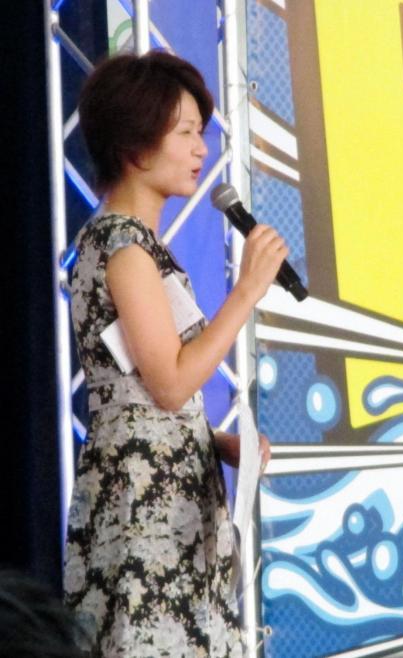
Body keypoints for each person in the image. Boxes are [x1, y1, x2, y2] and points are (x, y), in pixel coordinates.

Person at [63, 51, 287, 656]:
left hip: (168, 494)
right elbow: (168, 384)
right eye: (185, 132)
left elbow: (143, 388)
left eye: (201, 132)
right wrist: (246, 291)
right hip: (144, 508)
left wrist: (214, 441)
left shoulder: (136, 244)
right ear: (136, 148)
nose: (200, 149)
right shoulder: (122, 248)